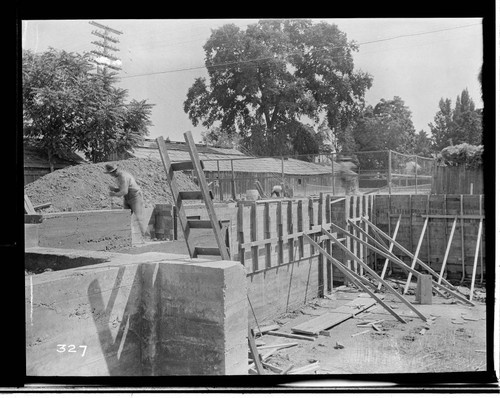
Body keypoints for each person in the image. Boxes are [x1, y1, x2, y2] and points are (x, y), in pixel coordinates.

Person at [104, 163, 148, 239]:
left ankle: (146, 237)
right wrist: (115, 189)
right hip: (127, 197)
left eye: (110, 173)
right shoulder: (118, 177)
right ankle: (126, 237)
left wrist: (114, 194)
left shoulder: (123, 176)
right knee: (126, 216)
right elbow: (124, 189)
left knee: (139, 217)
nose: (110, 175)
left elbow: (124, 191)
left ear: (114, 171)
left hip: (135, 196)